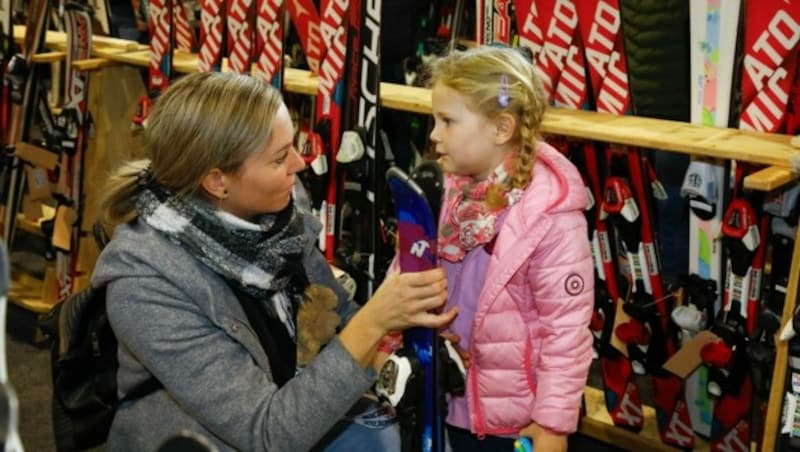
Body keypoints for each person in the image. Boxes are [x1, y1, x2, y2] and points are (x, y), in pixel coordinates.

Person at [91, 71, 456, 452]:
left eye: (293, 146)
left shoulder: (274, 220)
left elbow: (332, 316)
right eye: (280, 157)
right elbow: (267, 435)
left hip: (292, 406)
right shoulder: (145, 282)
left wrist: (396, 352)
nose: (299, 163)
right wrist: (376, 320)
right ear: (217, 181)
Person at [428, 46, 594, 451]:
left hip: (518, 421)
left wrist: (552, 424)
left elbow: (566, 332)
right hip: (450, 400)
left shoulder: (549, 215)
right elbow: (410, 272)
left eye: (447, 121)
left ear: (501, 129)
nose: (433, 134)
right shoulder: (446, 191)